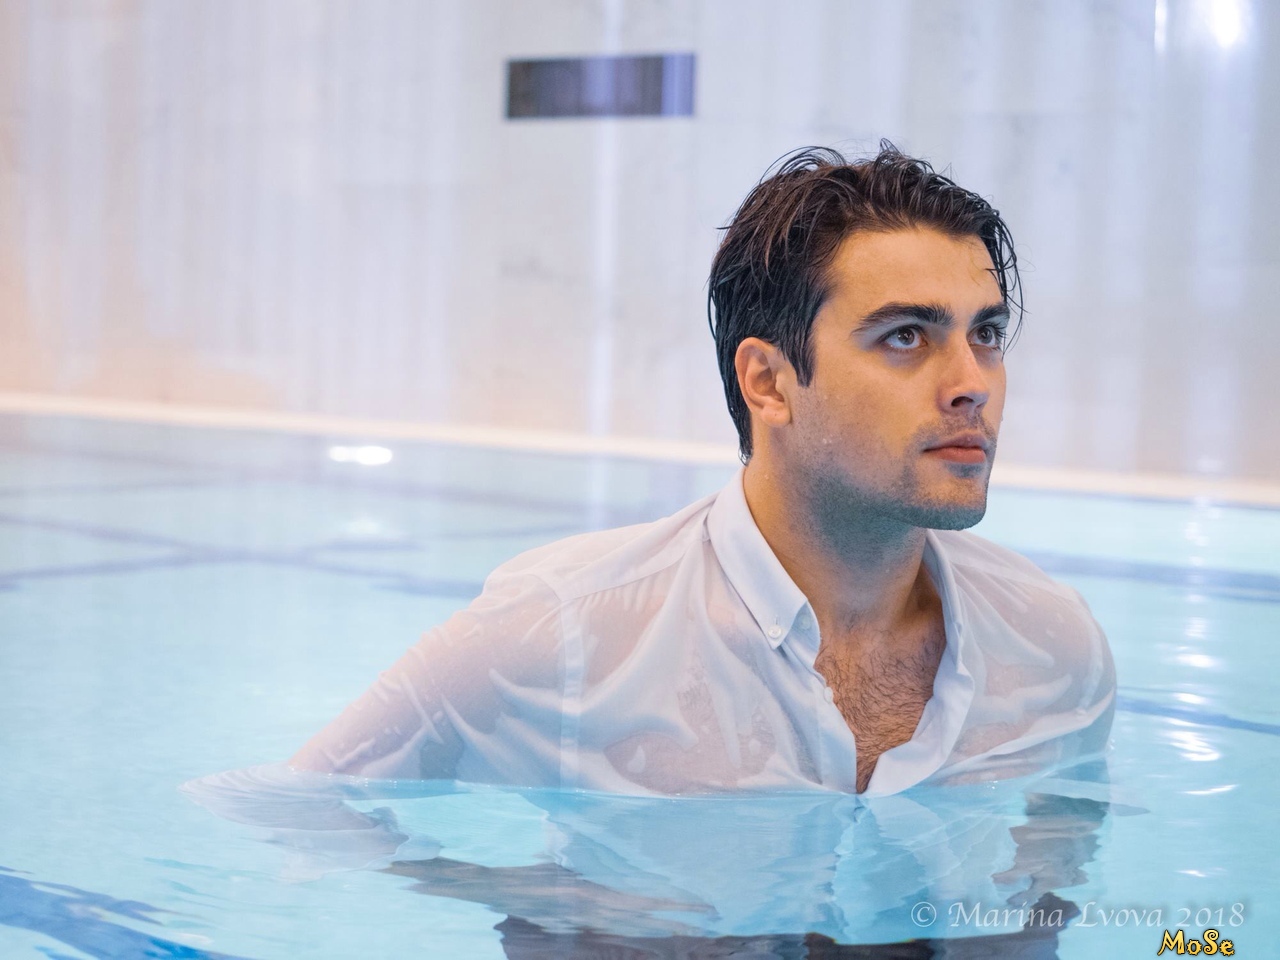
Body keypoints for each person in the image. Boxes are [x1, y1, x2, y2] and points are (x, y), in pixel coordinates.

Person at [290, 142, 1116, 796]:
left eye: (986, 333)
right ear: (769, 382)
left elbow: (1046, 892)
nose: (973, 383)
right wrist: (524, 906)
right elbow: (302, 810)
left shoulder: (1051, 650)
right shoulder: (573, 635)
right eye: (905, 336)